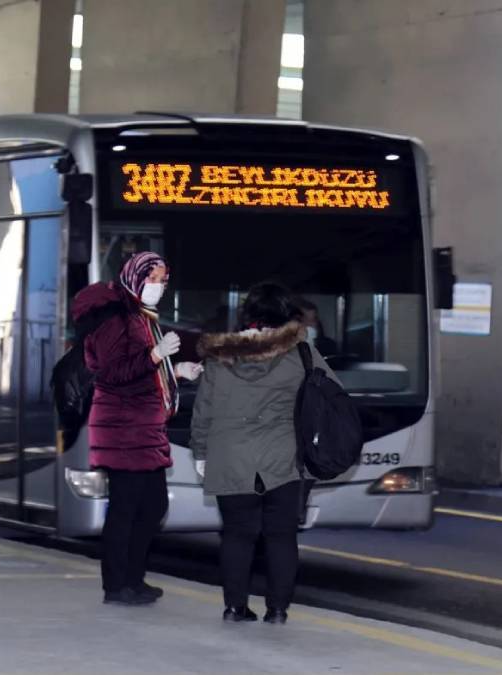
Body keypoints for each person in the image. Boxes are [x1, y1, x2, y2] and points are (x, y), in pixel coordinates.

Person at [190, 282, 339, 623]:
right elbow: (332, 395)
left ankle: (234, 607)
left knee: (237, 535)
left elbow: (204, 411)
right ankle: (278, 610)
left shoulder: (220, 355)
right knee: (281, 536)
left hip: (230, 457)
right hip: (283, 459)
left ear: (247, 315)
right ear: (288, 315)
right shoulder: (302, 353)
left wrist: (201, 452)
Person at [72, 252, 202, 606]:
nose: (161, 286)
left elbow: (143, 375)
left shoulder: (142, 317)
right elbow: (113, 374)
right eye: (155, 279)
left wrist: (176, 373)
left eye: (164, 279)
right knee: (126, 509)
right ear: (135, 279)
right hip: (122, 428)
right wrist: (157, 356)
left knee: (152, 505)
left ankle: (132, 578)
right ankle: (117, 585)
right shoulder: (116, 319)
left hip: (143, 428)